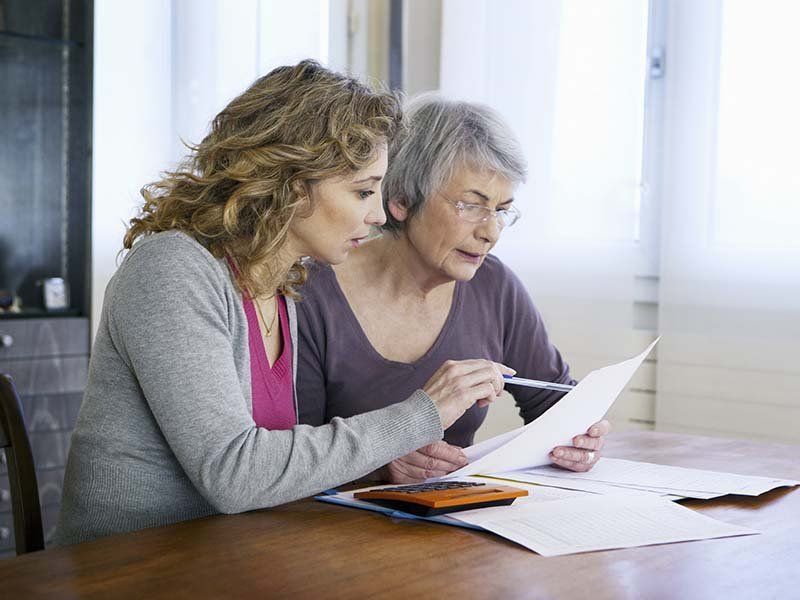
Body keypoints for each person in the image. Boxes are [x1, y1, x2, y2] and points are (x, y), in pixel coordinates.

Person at [55, 63, 511, 545]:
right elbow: (235, 473)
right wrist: (422, 414)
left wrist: (385, 459)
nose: (378, 214)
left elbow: (279, 461)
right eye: (361, 191)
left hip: (233, 557)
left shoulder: (283, 286)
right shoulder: (172, 271)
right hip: (127, 570)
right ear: (293, 185)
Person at [296, 95, 610, 483]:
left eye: (501, 210)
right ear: (401, 200)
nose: (490, 232)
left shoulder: (494, 285)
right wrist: (382, 465)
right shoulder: (309, 295)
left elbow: (555, 402)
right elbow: (288, 456)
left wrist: (580, 438)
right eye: (470, 205)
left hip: (457, 525)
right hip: (329, 531)